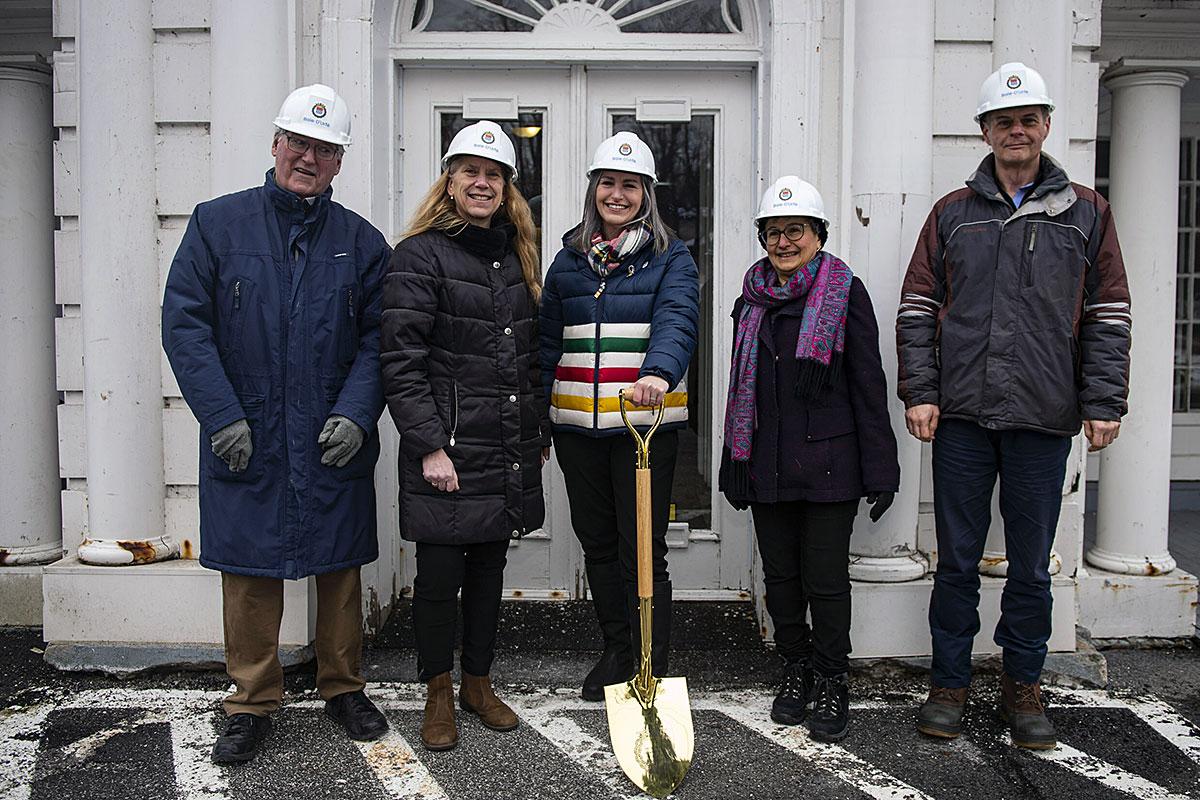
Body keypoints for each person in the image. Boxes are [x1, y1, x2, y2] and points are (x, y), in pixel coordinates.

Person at [898, 62, 1131, 750]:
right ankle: (949, 684)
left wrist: (1104, 399)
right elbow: (917, 308)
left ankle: (1022, 686)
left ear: (1046, 126)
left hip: (1044, 417)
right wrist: (922, 391)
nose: (1016, 131)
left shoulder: (1087, 212)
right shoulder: (952, 213)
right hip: (963, 417)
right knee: (958, 562)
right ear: (985, 131)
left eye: (1028, 119)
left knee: (1030, 565)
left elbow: (1109, 312)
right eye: (1003, 121)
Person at [162, 84, 392, 764]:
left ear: (340, 161)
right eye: (300, 143)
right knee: (250, 570)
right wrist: (221, 414)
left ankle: (343, 687)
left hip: (329, 430)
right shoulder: (217, 224)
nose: (310, 158)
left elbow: (382, 340)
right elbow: (186, 327)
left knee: (339, 569)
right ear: (275, 143)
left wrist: (356, 410)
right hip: (250, 431)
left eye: (326, 149)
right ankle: (251, 699)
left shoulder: (362, 242)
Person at [381, 121, 546, 752]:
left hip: (502, 444)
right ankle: (438, 694)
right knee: (438, 575)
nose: (482, 183)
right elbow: (400, 360)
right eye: (470, 171)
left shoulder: (514, 258)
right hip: (447, 449)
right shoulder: (419, 255)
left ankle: (479, 683)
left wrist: (534, 433)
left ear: (507, 189)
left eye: (494, 175)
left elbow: (526, 358)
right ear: (448, 180)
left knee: (487, 572)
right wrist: (429, 445)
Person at [717, 176, 899, 742]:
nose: (784, 242)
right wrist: (734, 461)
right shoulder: (750, 300)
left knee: (825, 579)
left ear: (817, 233)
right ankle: (794, 670)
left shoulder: (845, 292)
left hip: (829, 463)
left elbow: (869, 381)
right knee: (782, 576)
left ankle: (831, 678)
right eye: (773, 232)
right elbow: (738, 389)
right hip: (767, 463)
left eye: (795, 230)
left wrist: (881, 468)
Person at [540, 131, 700, 701]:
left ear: (646, 194)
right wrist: (540, 417)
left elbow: (679, 319)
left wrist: (658, 372)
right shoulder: (569, 261)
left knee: (643, 547)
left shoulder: (671, 256)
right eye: (608, 183)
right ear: (593, 190)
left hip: (645, 428)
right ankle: (616, 650)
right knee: (600, 544)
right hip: (577, 428)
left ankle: (651, 656)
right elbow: (546, 344)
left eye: (629, 185)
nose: (617, 194)